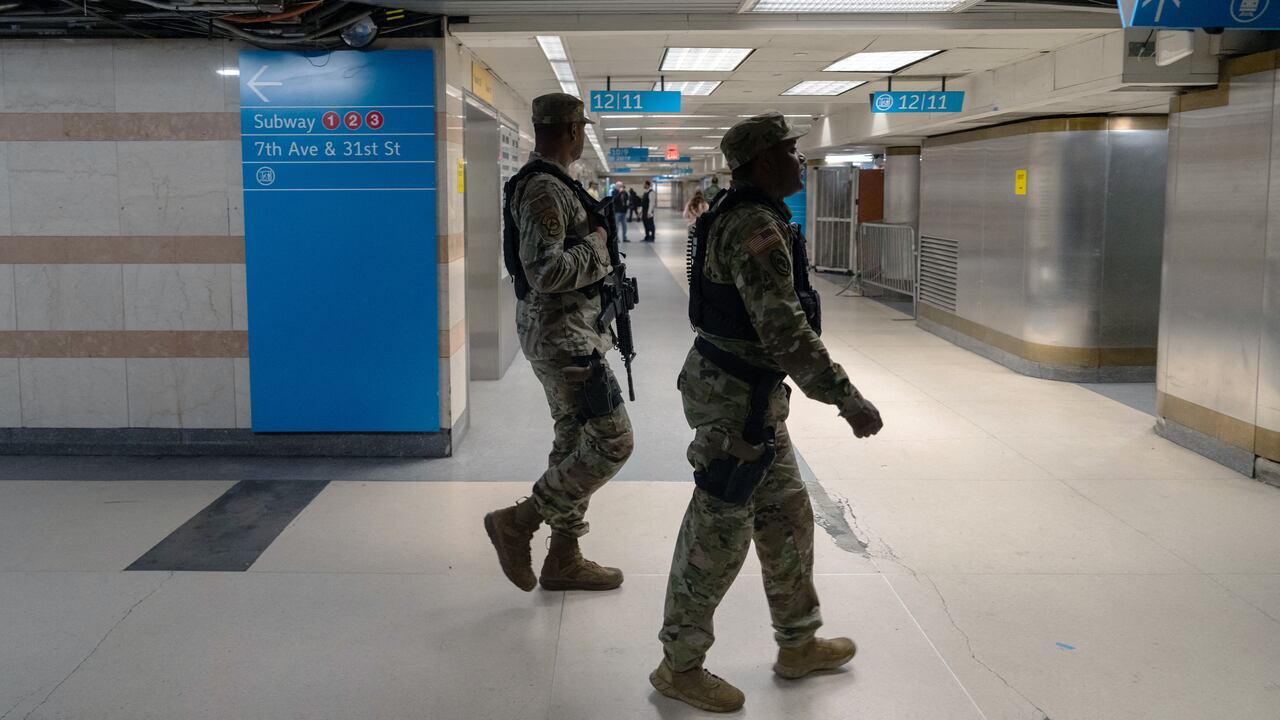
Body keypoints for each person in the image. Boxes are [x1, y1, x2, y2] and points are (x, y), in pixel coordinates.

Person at [649, 112, 884, 713]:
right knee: (717, 534)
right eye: (788, 152)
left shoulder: (749, 215)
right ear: (760, 163)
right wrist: (846, 398)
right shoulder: (754, 226)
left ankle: (799, 644)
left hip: (752, 398)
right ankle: (679, 666)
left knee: (785, 519)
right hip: (734, 403)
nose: (798, 160)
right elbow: (785, 331)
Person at [484, 93, 634, 594]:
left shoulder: (555, 184)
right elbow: (544, 270)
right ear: (571, 130)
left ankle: (564, 557)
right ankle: (519, 522)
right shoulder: (544, 189)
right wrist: (597, 244)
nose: (582, 137)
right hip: (562, 335)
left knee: (574, 442)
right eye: (581, 130)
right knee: (614, 440)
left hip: (569, 330)